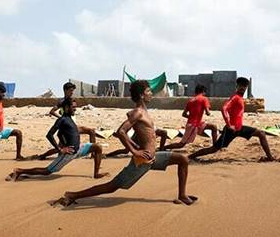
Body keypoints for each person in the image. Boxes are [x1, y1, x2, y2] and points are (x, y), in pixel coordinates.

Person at [52, 80, 197, 207]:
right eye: (148, 91)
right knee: (112, 186)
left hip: (153, 158)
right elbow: (121, 131)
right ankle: (73, 195)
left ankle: (182, 195)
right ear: (141, 95)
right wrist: (134, 151)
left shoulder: (145, 112)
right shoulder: (138, 112)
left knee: (182, 159)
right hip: (143, 160)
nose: (151, 93)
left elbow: (144, 133)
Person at [6, 98, 105, 180]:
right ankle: (19, 171)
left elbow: (60, 134)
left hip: (79, 149)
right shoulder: (62, 120)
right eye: (73, 107)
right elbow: (49, 135)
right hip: (68, 154)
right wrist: (60, 149)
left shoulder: (70, 119)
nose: (75, 109)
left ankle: (96, 174)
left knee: (97, 147)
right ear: (66, 108)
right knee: (47, 171)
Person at [188, 77, 274, 162]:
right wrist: (229, 125)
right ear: (237, 86)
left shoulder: (240, 98)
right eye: (241, 85)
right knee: (214, 149)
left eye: (244, 86)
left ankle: (270, 158)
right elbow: (224, 109)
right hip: (231, 130)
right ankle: (191, 156)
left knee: (261, 133)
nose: (242, 88)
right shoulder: (235, 97)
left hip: (239, 128)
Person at [34, 82, 96, 160]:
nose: (72, 92)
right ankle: (43, 155)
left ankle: (93, 155)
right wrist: (62, 118)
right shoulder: (62, 102)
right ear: (65, 90)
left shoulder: (72, 100)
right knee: (60, 147)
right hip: (66, 126)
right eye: (70, 90)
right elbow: (52, 111)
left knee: (91, 131)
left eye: (73, 91)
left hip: (73, 124)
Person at [161, 84, 218, 151]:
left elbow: (184, 114)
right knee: (181, 144)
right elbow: (208, 113)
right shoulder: (204, 99)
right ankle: (163, 147)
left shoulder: (191, 100)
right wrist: (208, 112)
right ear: (203, 91)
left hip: (196, 123)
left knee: (213, 127)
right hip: (193, 125)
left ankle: (215, 146)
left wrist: (192, 117)